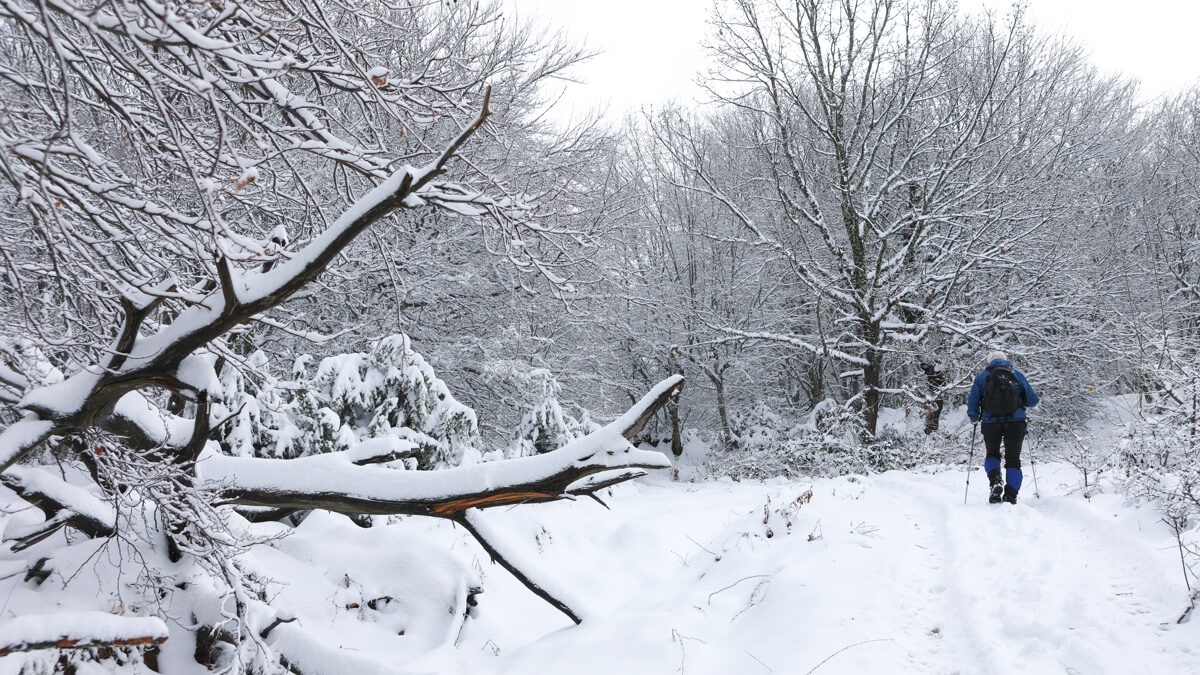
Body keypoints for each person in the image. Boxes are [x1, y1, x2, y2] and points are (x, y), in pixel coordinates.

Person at [967, 350, 1039, 504]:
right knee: (1013, 459)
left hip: (990, 423)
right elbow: (1033, 400)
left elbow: (973, 401)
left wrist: (973, 417)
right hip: (1016, 423)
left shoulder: (982, 377)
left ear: (989, 362)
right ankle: (1011, 495)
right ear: (1006, 361)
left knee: (992, 454)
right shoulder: (1016, 375)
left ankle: (995, 481)